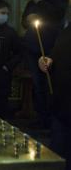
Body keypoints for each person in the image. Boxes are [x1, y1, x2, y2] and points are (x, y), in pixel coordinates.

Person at [21, 0, 67, 128]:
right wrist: (28, 19)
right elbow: (24, 20)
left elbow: (57, 15)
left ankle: (52, 119)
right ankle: (41, 118)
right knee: (37, 85)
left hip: (51, 47)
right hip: (33, 46)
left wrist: (41, 4)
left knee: (49, 84)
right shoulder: (33, 0)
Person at [38, 18, 71, 170]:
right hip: (61, 104)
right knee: (56, 155)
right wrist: (47, 61)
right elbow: (57, 57)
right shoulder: (66, 31)